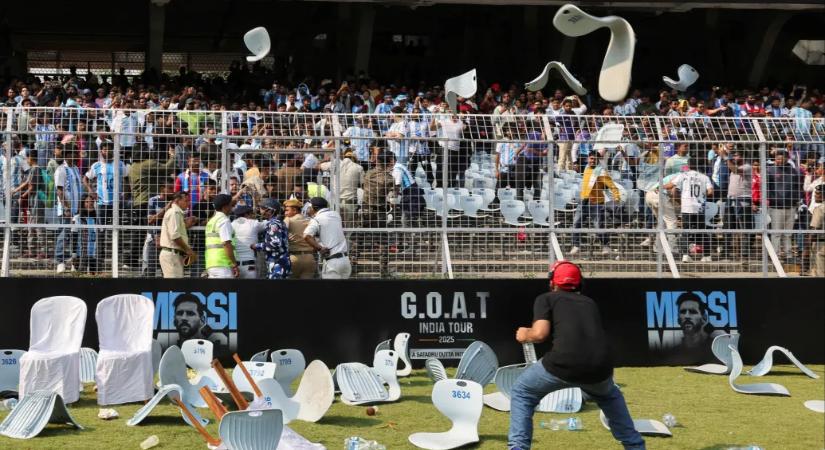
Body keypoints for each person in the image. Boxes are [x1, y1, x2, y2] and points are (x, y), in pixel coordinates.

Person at [508, 261, 645, 450]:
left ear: (552, 282)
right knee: (609, 396)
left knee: (522, 392)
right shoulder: (590, 303)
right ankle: (635, 445)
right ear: (580, 283)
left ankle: (518, 447)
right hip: (601, 367)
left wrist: (525, 334)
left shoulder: (546, 298)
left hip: (563, 363)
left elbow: (539, 334)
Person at [569, 151, 621, 256]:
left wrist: (616, 198)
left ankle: (606, 246)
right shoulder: (586, 168)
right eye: (591, 158)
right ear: (588, 159)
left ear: (598, 160)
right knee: (576, 223)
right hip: (583, 201)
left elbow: (612, 186)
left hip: (596, 202)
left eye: (594, 159)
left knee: (598, 225)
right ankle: (576, 245)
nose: (592, 161)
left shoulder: (601, 171)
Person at [664, 167, 714, 262]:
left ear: (689, 165)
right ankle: (707, 256)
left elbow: (670, 185)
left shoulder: (683, 175)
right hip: (699, 207)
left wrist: (659, 186)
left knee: (685, 231)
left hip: (687, 207)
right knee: (702, 231)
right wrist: (701, 195)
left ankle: (686, 255)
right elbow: (710, 191)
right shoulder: (704, 177)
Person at [304, 197, 351, 279]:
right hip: (345, 260)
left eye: (310, 207)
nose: (308, 208)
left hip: (332, 262)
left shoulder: (316, 220)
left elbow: (306, 236)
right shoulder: (336, 215)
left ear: (314, 208)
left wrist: (319, 248)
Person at [159, 192, 197, 278]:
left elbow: (176, 232)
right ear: (177, 201)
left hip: (174, 254)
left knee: (175, 286)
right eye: (186, 201)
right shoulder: (174, 212)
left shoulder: (176, 213)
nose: (188, 203)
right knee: (173, 287)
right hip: (172, 254)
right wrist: (188, 250)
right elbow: (175, 235)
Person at [252, 198, 291, 279]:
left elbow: (275, 243)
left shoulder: (273, 224)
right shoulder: (279, 222)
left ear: (270, 210)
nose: (260, 210)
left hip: (278, 263)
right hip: (280, 262)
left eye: (262, 208)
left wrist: (257, 246)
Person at [204, 193, 240, 278]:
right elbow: (226, 244)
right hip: (223, 265)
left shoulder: (212, 221)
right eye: (231, 205)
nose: (232, 207)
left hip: (211, 263)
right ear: (225, 207)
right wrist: (234, 264)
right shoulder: (224, 221)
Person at [284, 198, 317, 279]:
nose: (285, 213)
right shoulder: (310, 221)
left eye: (287, 210)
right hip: (309, 258)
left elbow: (282, 232)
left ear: (294, 210)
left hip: (294, 258)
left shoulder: (288, 220)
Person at [231, 204, 267, 279]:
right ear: (246, 214)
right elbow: (268, 223)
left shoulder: (231, 225)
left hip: (235, 266)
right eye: (252, 213)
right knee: (251, 289)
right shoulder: (254, 223)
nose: (253, 215)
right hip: (250, 266)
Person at [805, 184, 824, 277]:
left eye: (818, 193)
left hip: (821, 246)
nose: (815, 195)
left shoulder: (819, 209)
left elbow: (814, 229)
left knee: (819, 275)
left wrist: (807, 249)